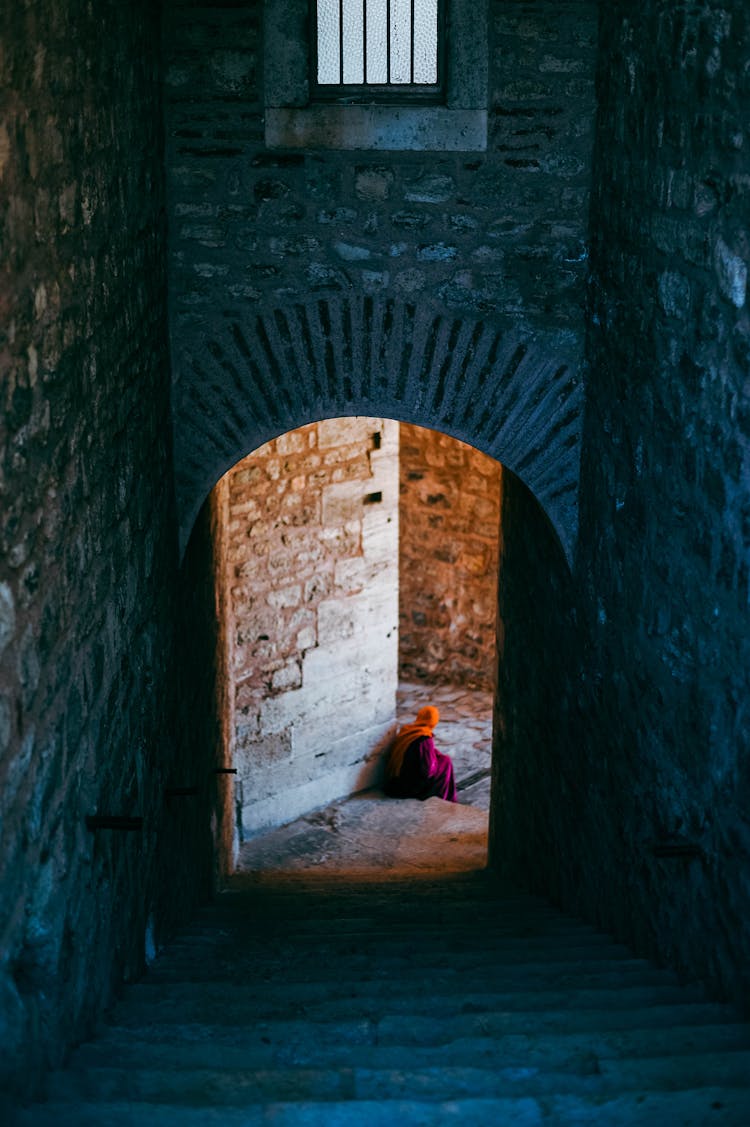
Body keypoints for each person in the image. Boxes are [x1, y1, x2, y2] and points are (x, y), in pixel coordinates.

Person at [384, 705, 457, 802]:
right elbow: (428, 770)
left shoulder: (407, 730)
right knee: (445, 762)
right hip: (410, 786)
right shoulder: (424, 738)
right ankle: (444, 797)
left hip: (396, 779)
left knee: (442, 758)